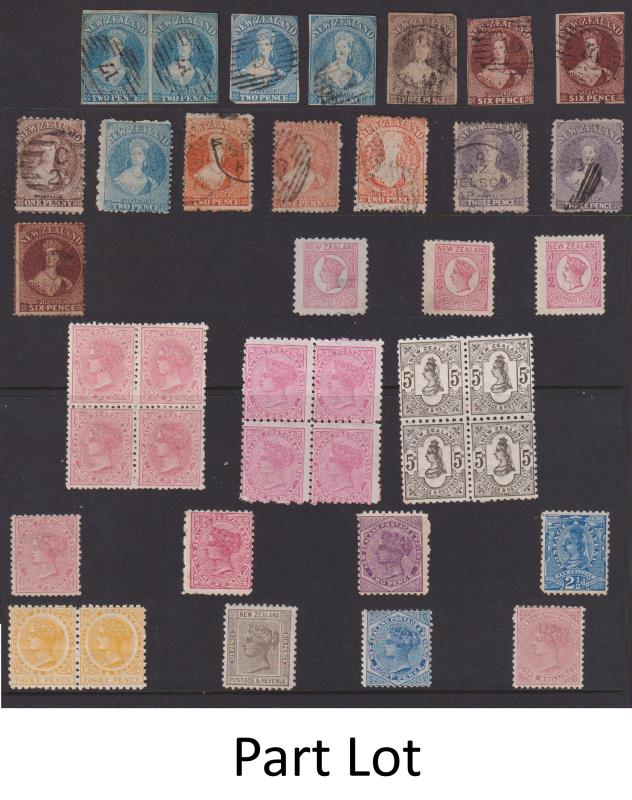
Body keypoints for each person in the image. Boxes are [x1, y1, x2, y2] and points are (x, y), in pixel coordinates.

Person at [315, 30, 363, 94]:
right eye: (338, 47)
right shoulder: (328, 70)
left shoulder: (356, 75)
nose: (341, 50)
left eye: (344, 47)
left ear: (349, 49)